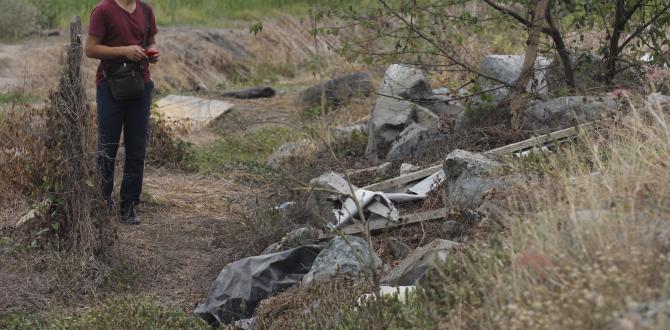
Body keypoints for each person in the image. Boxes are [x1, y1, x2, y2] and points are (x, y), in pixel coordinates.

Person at [84, 0, 159, 225]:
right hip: (110, 87)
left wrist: (152, 52)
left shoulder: (145, 10)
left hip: (140, 86)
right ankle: (102, 204)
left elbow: (152, 39)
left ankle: (129, 205)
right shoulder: (103, 10)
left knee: (137, 148)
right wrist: (125, 51)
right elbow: (90, 48)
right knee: (108, 147)